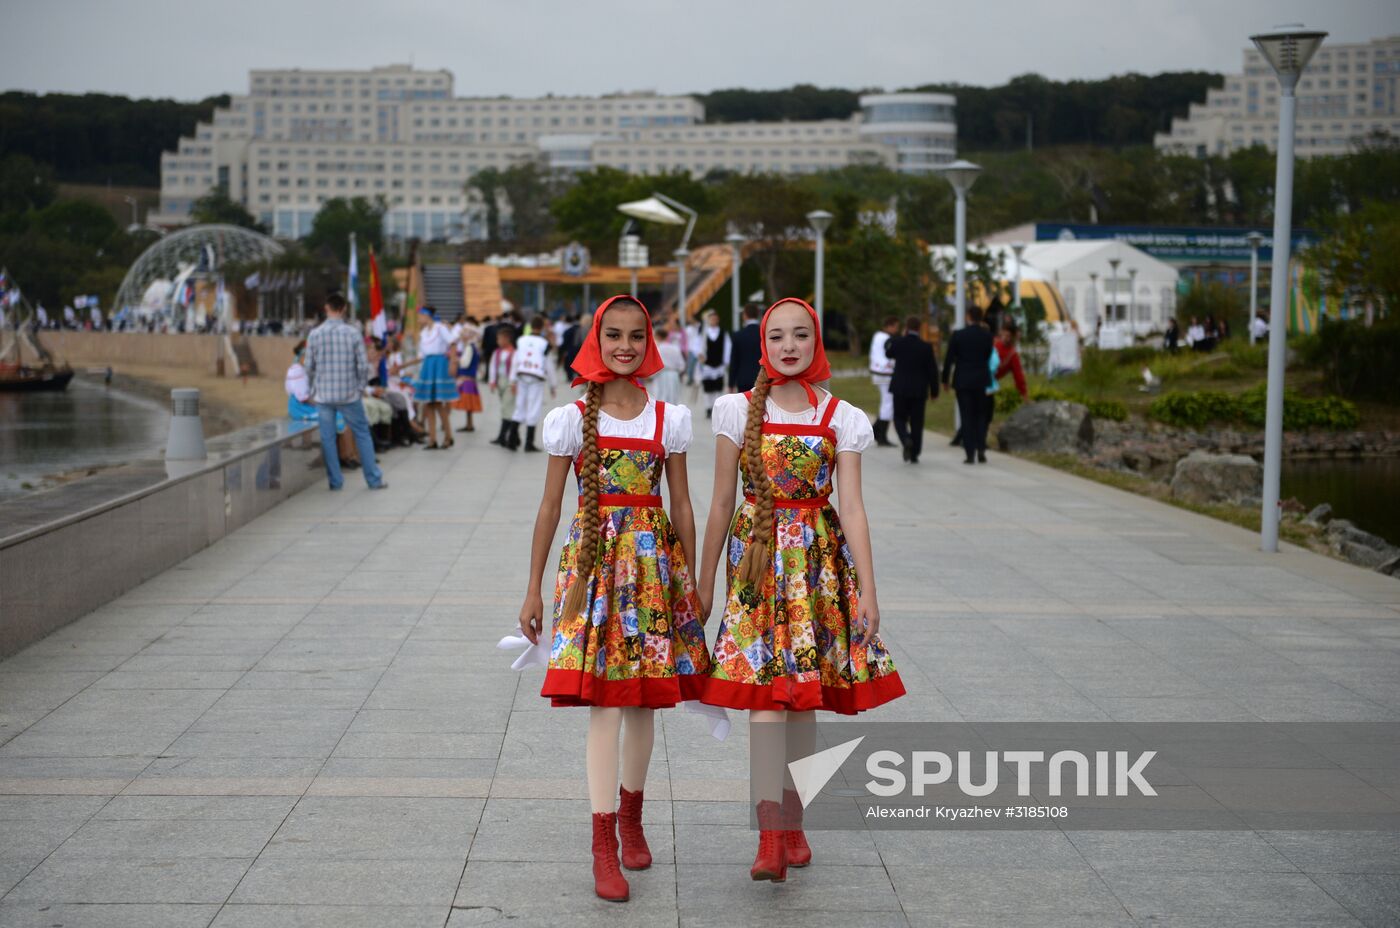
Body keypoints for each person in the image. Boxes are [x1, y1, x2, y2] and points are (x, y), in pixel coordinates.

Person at [697, 298, 905, 884]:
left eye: (801, 335)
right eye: (778, 336)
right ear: (763, 344)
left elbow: (853, 508)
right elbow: (720, 503)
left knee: (804, 699)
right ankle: (769, 834)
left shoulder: (842, 416)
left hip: (818, 567)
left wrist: (869, 590)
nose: (789, 346)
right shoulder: (736, 410)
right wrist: (704, 582)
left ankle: (794, 820)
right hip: (756, 564)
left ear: (816, 343)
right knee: (764, 697)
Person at [517, 296, 711, 903]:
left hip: (653, 571)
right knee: (602, 702)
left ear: (649, 342)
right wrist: (532, 587)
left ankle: (632, 816)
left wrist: (691, 585)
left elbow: (682, 505)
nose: (624, 346)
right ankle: (603, 839)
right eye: (613, 335)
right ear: (595, 341)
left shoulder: (669, 419)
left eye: (635, 336)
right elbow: (551, 506)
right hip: (592, 570)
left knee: (643, 704)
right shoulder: (571, 419)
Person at [304, 293, 387, 491]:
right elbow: (362, 366)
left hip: (324, 395)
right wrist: (359, 388)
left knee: (328, 439)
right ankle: (373, 480)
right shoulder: (353, 333)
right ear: (343, 309)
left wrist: (313, 389)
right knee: (362, 434)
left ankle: (335, 481)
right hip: (349, 395)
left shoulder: (314, 334)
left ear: (326, 309)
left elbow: (308, 367)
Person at [942, 305, 995, 466]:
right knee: (981, 415)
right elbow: (987, 355)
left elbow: (949, 359)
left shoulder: (958, 335)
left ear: (968, 317)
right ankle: (981, 449)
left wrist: (945, 380)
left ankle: (970, 453)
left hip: (963, 380)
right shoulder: (987, 335)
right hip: (981, 379)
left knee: (966, 416)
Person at [400, 306, 458, 450]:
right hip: (428, 365)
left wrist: (453, 362)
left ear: (427, 316)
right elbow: (421, 356)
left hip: (439, 364)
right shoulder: (423, 333)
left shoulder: (440, 328)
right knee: (428, 404)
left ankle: (448, 436)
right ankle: (433, 439)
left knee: (438, 403)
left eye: (420, 316)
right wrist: (402, 366)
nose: (419, 319)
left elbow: (452, 343)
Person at [885, 315, 940, 464]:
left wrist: (895, 338)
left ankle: (905, 439)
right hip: (919, 390)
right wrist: (934, 391)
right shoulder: (926, 347)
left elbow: (888, 352)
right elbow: (932, 371)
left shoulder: (898, 343)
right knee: (917, 421)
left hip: (900, 388)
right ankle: (915, 453)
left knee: (899, 418)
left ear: (906, 328)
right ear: (919, 328)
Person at [510, 315, 558, 452]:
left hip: (521, 375)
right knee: (534, 407)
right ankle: (528, 443)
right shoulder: (544, 344)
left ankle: (512, 439)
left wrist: (512, 380)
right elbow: (549, 365)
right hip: (536, 377)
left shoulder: (521, 340)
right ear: (542, 327)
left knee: (519, 406)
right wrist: (553, 385)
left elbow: (515, 360)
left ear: (530, 326)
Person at [868, 316, 900, 447]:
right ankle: (881, 435)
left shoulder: (878, 336)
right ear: (889, 326)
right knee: (888, 404)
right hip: (885, 374)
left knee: (886, 403)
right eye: (896, 327)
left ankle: (877, 430)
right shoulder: (886, 338)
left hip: (878, 373)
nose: (897, 330)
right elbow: (889, 356)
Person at [488, 327, 519, 449]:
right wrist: (492, 381)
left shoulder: (514, 353)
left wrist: (513, 383)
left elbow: (515, 369)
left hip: (509, 382)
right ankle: (514, 436)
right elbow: (492, 367)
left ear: (507, 339)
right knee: (506, 407)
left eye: (499, 339)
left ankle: (503, 436)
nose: (498, 341)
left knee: (507, 408)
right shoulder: (497, 352)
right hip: (500, 380)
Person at [697, 309, 730, 417]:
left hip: (719, 365)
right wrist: (700, 355)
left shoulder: (723, 333)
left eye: (715, 319)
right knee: (708, 388)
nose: (713, 321)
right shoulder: (704, 333)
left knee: (718, 387)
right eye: (711, 319)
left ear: (718, 320)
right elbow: (699, 346)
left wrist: (726, 361)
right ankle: (708, 407)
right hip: (707, 365)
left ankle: (717, 407)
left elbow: (727, 347)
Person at [452, 323, 484, 433]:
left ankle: (469, 424)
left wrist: (457, 360)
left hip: (467, 378)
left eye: (463, 334)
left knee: (468, 403)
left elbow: (465, 363)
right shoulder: (472, 347)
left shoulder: (469, 347)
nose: (461, 336)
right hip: (470, 378)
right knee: (469, 404)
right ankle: (469, 424)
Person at [728, 303, 762, 393]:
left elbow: (734, 361)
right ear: (758, 314)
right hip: (762, 378)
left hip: (743, 379)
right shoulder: (764, 334)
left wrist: (731, 384)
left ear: (745, 315)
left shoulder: (738, 335)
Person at [649, 323, 685, 404]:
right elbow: (682, 365)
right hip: (674, 375)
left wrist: (650, 376)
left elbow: (654, 365)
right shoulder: (675, 348)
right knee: (673, 399)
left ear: (657, 336)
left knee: (661, 399)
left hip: (660, 376)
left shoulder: (657, 349)